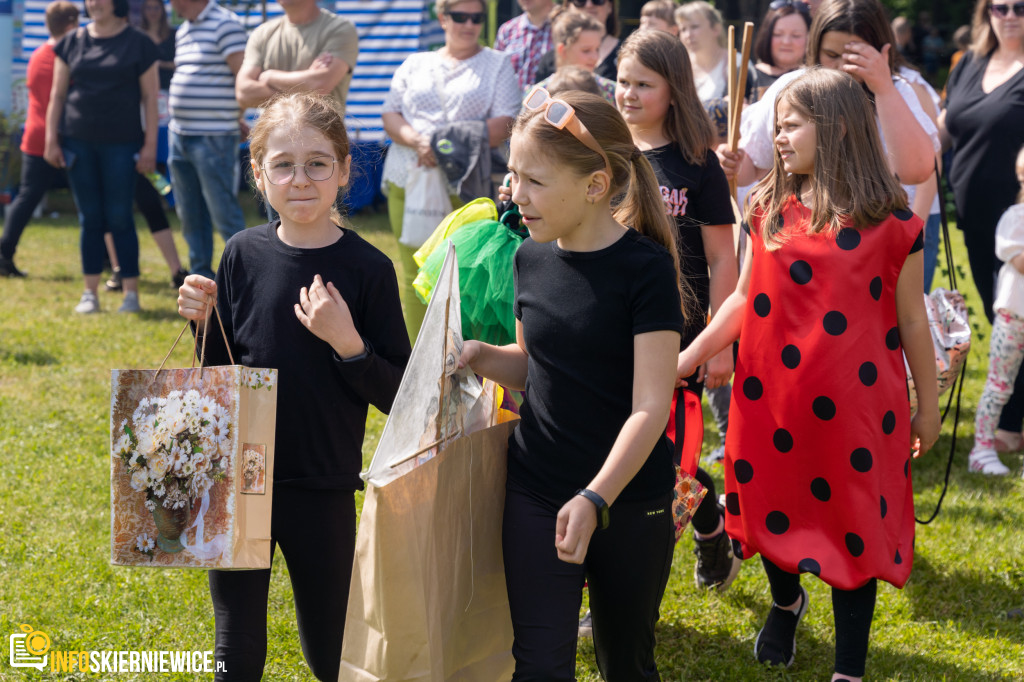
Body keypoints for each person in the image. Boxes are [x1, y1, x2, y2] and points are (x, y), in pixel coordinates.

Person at [678, 67, 939, 682]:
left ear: (838, 126)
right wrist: (688, 358)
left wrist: (925, 406)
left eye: (791, 125)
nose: (780, 137)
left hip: (856, 409)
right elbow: (743, 297)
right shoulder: (765, 206)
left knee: (854, 525)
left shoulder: (892, 221)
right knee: (772, 505)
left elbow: (913, 322)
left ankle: (849, 665)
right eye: (777, 126)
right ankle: (785, 600)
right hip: (770, 398)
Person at [176, 92, 410, 682]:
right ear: (259, 174)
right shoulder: (241, 254)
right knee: (235, 642)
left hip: (323, 486)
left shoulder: (369, 269)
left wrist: (348, 343)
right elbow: (219, 374)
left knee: (331, 644)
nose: (299, 179)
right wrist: (203, 324)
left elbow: (401, 394)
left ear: (344, 171)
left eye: (317, 163)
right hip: (237, 476)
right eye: (282, 164)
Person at [461, 87, 685, 681]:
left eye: (533, 180)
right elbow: (534, 364)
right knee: (537, 662)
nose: (514, 194)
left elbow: (650, 407)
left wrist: (595, 498)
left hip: (629, 500)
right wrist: (481, 354)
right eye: (512, 175)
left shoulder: (646, 271)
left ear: (594, 185)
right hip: (536, 489)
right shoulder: (528, 258)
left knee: (625, 663)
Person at [615, 29, 741, 591]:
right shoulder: (605, 153)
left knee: (671, 460)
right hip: (613, 329)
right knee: (624, 450)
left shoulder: (697, 164)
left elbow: (720, 257)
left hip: (679, 337)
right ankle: (711, 529)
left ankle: (685, 545)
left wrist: (721, 339)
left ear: (675, 91)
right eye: (623, 81)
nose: (629, 94)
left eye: (645, 83)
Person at [381, 0, 519, 341]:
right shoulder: (416, 62)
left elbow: (506, 122)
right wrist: (419, 142)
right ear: (442, 18)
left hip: (466, 183)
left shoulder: (497, 63)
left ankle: (462, 360)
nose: (469, 24)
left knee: (462, 277)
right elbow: (390, 113)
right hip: (409, 175)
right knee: (413, 270)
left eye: (477, 17)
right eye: (460, 16)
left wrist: (443, 146)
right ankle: (418, 359)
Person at [725, 0, 938, 191]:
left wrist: (883, 88)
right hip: (802, 230)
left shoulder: (896, 91)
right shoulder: (791, 88)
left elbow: (916, 172)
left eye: (856, 56)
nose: (842, 67)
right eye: (831, 55)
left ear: (880, 51)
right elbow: (751, 169)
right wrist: (731, 162)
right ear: (815, 48)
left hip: (876, 230)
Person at [939, 0, 1024, 454]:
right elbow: (945, 127)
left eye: (1019, 7)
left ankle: (1011, 424)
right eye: (999, 6)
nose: (1009, 15)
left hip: (1019, 219)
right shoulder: (969, 63)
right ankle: (1013, 419)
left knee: (1018, 316)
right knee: (1001, 314)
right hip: (973, 217)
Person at [44, 0, 159, 314]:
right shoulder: (71, 42)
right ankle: (89, 293)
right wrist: (51, 138)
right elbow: (57, 94)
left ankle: (131, 294)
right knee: (89, 218)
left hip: (123, 145)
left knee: (120, 217)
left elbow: (150, 97)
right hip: (78, 144)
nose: (94, 3)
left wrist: (150, 145)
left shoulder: (139, 43)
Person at [166, 0, 248, 280]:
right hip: (179, 134)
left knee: (223, 212)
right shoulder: (183, 30)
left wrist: (234, 116)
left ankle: (244, 277)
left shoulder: (226, 24)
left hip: (214, 135)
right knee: (189, 213)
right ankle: (200, 278)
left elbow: (244, 79)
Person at [0, 0, 80, 278]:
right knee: (33, 197)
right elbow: (53, 103)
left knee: (28, 196)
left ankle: (4, 253)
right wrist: (54, 142)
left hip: (38, 135)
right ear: (70, 25)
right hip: (48, 139)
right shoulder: (54, 58)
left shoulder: (39, 53)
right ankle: (3, 253)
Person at [967, 149, 1024, 475]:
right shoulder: (1015, 219)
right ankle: (983, 449)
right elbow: (1020, 262)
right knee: (1000, 383)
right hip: (1013, 315)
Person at [234, 0, 358, 112]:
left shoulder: (340, 29)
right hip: (270, 136)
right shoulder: (262, 33)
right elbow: (243, 94)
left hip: (321, 136)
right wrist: (305, 87)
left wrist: (269, 77)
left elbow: (319, 85)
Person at [529, 8, 615, 103]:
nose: (595, 57)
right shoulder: (538, 96)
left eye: (597, 49)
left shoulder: (611, 91)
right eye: (586, 51)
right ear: (563, 50)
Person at [533, 0, 621, 83]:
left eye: (597, 0)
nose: (589, 4)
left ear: (610, 6)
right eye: (580, 0)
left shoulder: (626, 54)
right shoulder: (548, 62)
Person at [752, 0, 812, 99]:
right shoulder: (747, 76)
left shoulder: (815, 79)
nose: (786, 42)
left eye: (796, 35)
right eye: (778, 34)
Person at [494, 0, 555, 92]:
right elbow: (496, 75)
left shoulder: (569, 27)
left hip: (555, 103)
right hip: (513, 104)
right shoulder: (507, 30)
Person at [139, 0, 175, 89]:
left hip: (168, 88)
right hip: (143, 90)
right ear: (143, 10)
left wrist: (161, 64)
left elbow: (180, 63)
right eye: (149, 8)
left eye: (156, 8)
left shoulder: (173, 35)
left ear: (162, 10)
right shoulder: (137, 36)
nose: (152, 12)